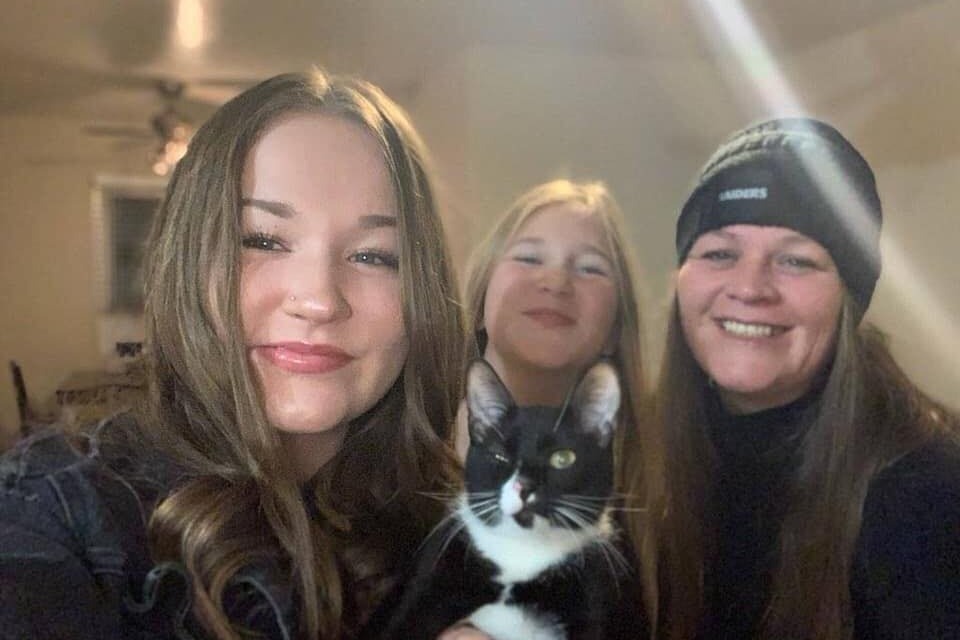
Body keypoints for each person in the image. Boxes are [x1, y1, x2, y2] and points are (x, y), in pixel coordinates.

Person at [0, 69, 466, 639]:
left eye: (373, 256)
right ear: (187, 262)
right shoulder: (53, 511)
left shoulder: (469, 526)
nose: (319, 300)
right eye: (261, 241)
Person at [646, 117, 960, 639]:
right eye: (720, 253)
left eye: (795, 261)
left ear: (848, 298)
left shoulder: (927, 495)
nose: (750, 288)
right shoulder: (634, 461)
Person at [444, 179, 658, 637]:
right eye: (528, 258)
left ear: (617, 327)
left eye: (590, 268)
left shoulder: (652, 496)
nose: (555, 281)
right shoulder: (396, 442)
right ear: (480, 294)